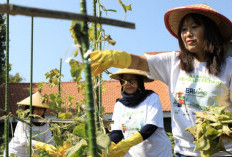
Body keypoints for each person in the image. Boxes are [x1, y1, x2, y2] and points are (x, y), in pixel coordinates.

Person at [90, 3, 232, 157]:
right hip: (185, 153)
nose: (188, 34)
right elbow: (140, 62)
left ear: (210, 31)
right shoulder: (173, 62)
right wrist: (115, 57)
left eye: (194, 27)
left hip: (222, 153)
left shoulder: (228, 67)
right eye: (184, 29)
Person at [108, 68, 172, 157]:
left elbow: (151, 127)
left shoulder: (152, 97)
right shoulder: (119, 105)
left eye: (132, 81)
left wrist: (128, 143)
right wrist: (110, 145)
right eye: (124, 81)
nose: (128, 84)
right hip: (133, 154)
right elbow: (116, 131)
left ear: (139, 82)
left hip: (158, 153)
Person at [7, 91, 57, 157]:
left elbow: (50, 141)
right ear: (30, 109)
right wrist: (41, 145)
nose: (39, 111)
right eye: (36, 108)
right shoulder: (23, 122)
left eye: (42, 109)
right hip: (15, 153)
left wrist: (54, 149)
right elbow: (23, 140)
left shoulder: (45, 124)